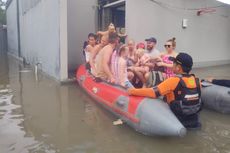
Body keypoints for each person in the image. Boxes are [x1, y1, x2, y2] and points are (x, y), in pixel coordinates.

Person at [128, 53, 202, 129]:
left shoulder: (173, 81)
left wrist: (133, 91)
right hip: (194, 121)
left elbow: (153, 93)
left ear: (178, 67)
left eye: (173, 63)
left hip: (177, 120)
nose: (172, 65)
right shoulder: (197, 81)